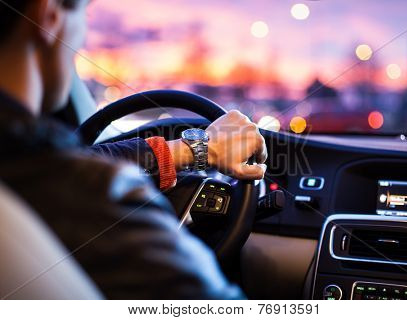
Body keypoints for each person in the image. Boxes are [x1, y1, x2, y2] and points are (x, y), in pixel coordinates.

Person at [0, 0, 267, 299]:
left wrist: (196, 150)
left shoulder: (27, 165)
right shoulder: (97, 197)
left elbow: (85, 158)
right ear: (49, 16)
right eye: (84, 14)